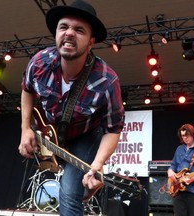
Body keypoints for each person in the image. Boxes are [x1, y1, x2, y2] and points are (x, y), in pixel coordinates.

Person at [18, 0, 125, 215]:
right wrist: (26, 129)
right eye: (63, 27)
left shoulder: (106, 80)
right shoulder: (39, 63)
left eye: (79, 30)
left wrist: (97, 164)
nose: (69, 33)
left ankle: (83, 184)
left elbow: (113, 129)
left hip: (87, 135)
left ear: (91, 42)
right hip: (54, 132)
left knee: (67, 192)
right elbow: (27, 90)